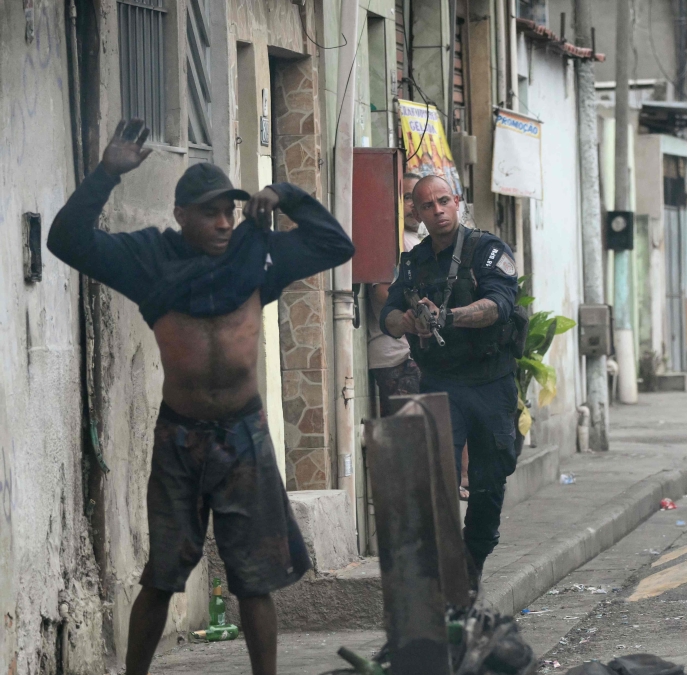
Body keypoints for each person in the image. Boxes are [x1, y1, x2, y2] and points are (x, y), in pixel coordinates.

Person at [47, 120, 355, 675]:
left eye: (229, 212)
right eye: (209, 212)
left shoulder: (258, 256)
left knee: (255, 580)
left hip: (244, 435)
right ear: (180, 216)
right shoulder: (148, 261)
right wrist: (106, 175)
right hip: (180, 438)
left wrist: (285, 194)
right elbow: (66, 241)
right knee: (162, 575)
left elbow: (337, 243)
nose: (221, 222)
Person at [380, 175, 522, 581]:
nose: (438, 210)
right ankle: (442, 573)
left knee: (488, 483)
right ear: (418, 213)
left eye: (444, 201)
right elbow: (386, 315)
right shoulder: (415, 261)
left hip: (490, 383)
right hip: (440, 384)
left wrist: (449, 317)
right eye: (428, 205)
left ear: (457, 202)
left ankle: (472, 560)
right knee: (433, 480)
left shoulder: (486, 250)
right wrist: (407, 320)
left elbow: (500, 304)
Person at [367, 173, 425, 419]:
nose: (414, 204)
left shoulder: (419, 238)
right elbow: (382, 291)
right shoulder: (391, 238)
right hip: (397, 358)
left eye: (418, 198)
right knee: (409, 441)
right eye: (407, 197)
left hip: (415, 356)